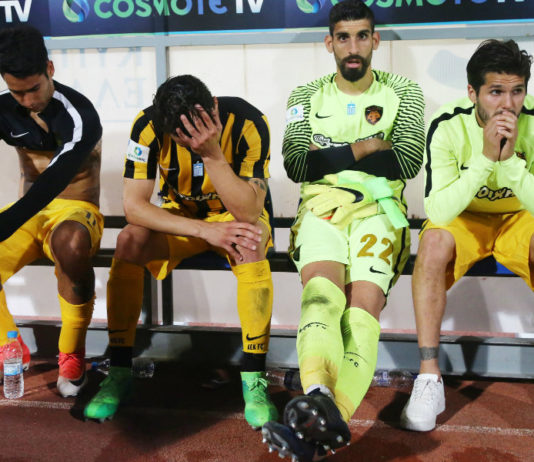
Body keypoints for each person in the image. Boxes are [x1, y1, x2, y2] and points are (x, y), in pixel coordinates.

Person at [261, 0, 425, 460]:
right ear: (329, 43)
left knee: (361, 313)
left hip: (379, 211)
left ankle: (319, 418)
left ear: (375, 40)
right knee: (320, 298)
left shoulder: (404, 91)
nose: (353, 47)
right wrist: (369, 146)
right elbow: (298, 165)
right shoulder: (305, 95)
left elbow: (408, 160)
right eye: (343, 37)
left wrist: (332, 158)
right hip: (321, 208)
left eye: (362, 36)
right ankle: (322, 403)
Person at [83, 74, 278, 428]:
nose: (189, 143)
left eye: (195, 133)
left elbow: (249, 212)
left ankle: (254, 381)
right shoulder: (147, 126)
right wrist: (205, 230)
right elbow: (134, 206)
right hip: (185, 219)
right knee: (129, 241)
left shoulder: (250, 121)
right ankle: (120, 372)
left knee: (250, 244)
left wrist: (212, 153)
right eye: (180, 137)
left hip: (235, 216)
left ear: (213, 107)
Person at [400, 39, 534, 432]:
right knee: (432, 243)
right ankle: (429, 377)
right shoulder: (447, 124)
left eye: (517, 91)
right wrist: (485, 159)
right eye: (496, 92)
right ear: (472, 93)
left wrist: (509, 163)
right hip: (466, 218)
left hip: (519, 217)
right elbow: (440, 212)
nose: (508, 105)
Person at [0, 26, 103, 397]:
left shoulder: (80, 113)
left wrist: (6, 222)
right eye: (17, 92)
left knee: (71, 247)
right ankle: (9, 344)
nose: (28, 100)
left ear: (50, 69)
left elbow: (55, 179)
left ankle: (72, 355)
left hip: (76, 209)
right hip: (29, 214)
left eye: (34, 89)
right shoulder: (4, 109)